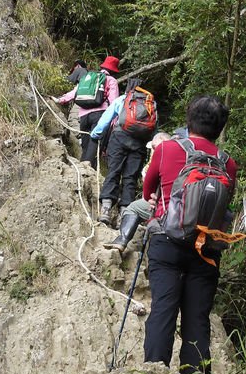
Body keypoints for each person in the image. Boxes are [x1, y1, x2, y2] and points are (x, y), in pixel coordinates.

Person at [141, 95, 238, 374]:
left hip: (167, 242)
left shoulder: (167, 149)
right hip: (206, 250)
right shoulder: (227, 164)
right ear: (219, 129)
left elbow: (148, 191)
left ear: (188, 120)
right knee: (197, 318)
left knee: (163, 311)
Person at [89, 78, 156, 225]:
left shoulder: (123, 99)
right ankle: (125, 215)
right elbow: (154, 128)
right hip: (139, 144)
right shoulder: (151, 104)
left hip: (119, 139)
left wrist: (95, 134)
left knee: (113, 171)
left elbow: (106, 119)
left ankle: (106, 209)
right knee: (130, 178)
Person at [103, 132, 171, 253]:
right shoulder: (180, 157)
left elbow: (147, 193)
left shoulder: (157, 160)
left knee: (134, 208)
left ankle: (122, 240)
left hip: (164, 207)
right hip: (185, 209)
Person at [52, 56, 120, 167]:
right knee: (94, 145)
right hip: (100, 115)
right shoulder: (111, 80)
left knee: (85, 145)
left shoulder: (88, 77)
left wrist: (59, 99)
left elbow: (74, 93)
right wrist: (113, 123)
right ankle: (88, 171)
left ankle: (82, 168)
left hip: (83, 115)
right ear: (113, 70)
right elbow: (113, 103)